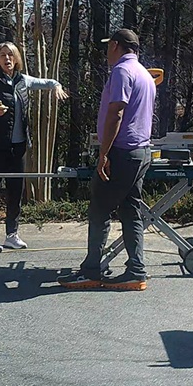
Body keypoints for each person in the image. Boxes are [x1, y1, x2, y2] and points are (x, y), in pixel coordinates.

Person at [60, 28, 157, 290]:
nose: (106, 52)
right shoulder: (145, 74)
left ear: (115, 45)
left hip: (122, 152)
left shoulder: (122, 72)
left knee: (100, 209)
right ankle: (136, 271)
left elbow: (116, 112)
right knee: (130, 209)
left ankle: (92, 270)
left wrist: (103, 154)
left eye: (108, 46)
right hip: (140, 151)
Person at [0, 41, 69, 253]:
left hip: (19, 147)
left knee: (16, 191)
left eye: (11, 55)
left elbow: (48, 82)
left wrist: (56, 86)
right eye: (3, 55)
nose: (7, 59)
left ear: (17, 59)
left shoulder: (23, 81)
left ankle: (11, 234)